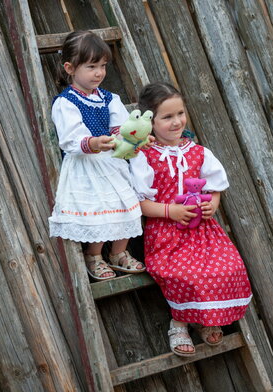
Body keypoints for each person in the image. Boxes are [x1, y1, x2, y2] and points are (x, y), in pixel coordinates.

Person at [130, 82, 252, 356]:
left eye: (180, 114)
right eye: (167, 117)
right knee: (186, 273)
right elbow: (140, 202)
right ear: (150, 121)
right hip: (167, 234)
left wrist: (213, 205)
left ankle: (206, 319)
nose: (176, 122)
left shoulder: (198, 151)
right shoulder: (145, 157)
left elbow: (215, 186)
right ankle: (180, 323)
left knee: (229, 266)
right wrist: (170, 211)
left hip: (203, 232)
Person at [49, 30, 146, 280]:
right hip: (86, 165)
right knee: (99, 209)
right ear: (70, 68)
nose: (99, 73)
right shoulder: (66, 102)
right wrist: (92, 142)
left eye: (102, 66)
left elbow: (121, 128)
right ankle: (94, 255)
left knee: (127, 204)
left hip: (112, 162)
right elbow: (70, 138)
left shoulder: (109, 98)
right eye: (92, 66)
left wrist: (136, 137)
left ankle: (118, 253)